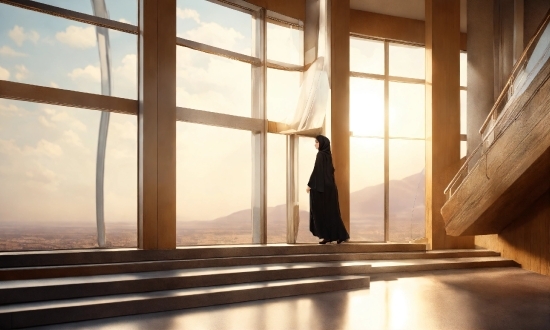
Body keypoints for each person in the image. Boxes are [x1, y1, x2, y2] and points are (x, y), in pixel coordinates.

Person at [306, 135, 350, 244]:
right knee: (332, 213)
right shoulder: (328, 155)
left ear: (322, 143)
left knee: (321, 213)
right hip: (330, 189)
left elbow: (317, 171)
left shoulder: (320, 155)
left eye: (316, 142)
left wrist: (309, 185)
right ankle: (338, 236)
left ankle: (328, 236)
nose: (315, 144)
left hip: (322, 190)